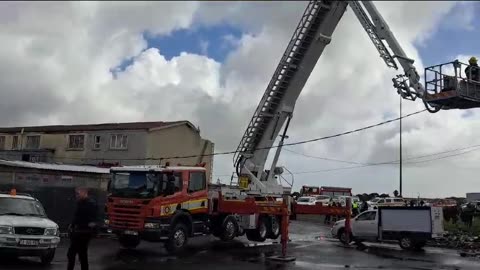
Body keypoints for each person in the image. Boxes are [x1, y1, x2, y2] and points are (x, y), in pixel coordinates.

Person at [67, 187, 98, 270]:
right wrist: (72, 225)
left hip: (83, 233)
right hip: (79, 232)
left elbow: (92, 219)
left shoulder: (90, 204)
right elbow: (77, 217)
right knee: (80, 254)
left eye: (78, 193)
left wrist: (91, 226)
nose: (76, 195)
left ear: (84, 192)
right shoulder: (81, 203)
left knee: (74, 253)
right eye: (76, 193)